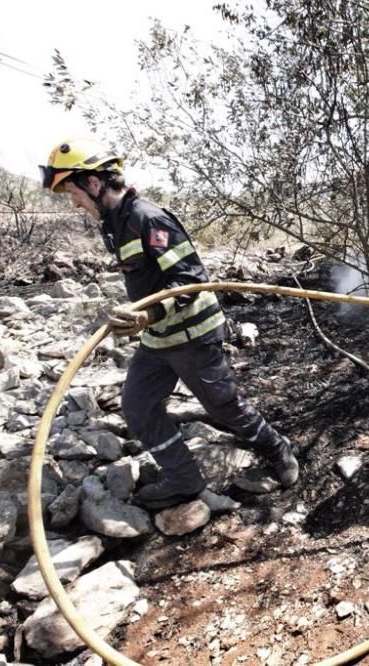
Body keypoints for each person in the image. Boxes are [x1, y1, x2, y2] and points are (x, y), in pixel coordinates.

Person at [40, 136, 299, 506]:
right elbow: (149, 279)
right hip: (158, 338)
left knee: (222, 406)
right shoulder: (114, 224)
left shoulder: (148, 218)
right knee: (139, 406)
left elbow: (190, 280)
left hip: (193, 334)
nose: (74, 202)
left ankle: (277, 449)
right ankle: (184, 479)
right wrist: (138, 316)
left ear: (93, 184)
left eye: (73, 192)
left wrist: (147, 314)